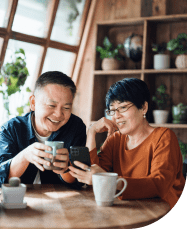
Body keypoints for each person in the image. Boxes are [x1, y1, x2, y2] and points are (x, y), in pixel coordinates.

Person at [69, 78, 186, 209]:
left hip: (163, 213)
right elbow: (93, 178)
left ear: (143, 107)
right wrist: (91, 132)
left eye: (123, 108)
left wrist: (112, 182)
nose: (116, 116)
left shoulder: (164, 137)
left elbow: (159, 185)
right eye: (112, 110)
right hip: (129, 210)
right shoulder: (115, 139)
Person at [0, 71, 86, 187]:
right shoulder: (11, 129)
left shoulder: (76, 127)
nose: (58, 114)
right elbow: (0, 178)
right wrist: (25, 156)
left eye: (66, 107)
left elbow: (79, 181)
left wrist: (66, 169)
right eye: (51, 105)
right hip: (19, 198)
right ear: (33, 103)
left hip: (61, 201)